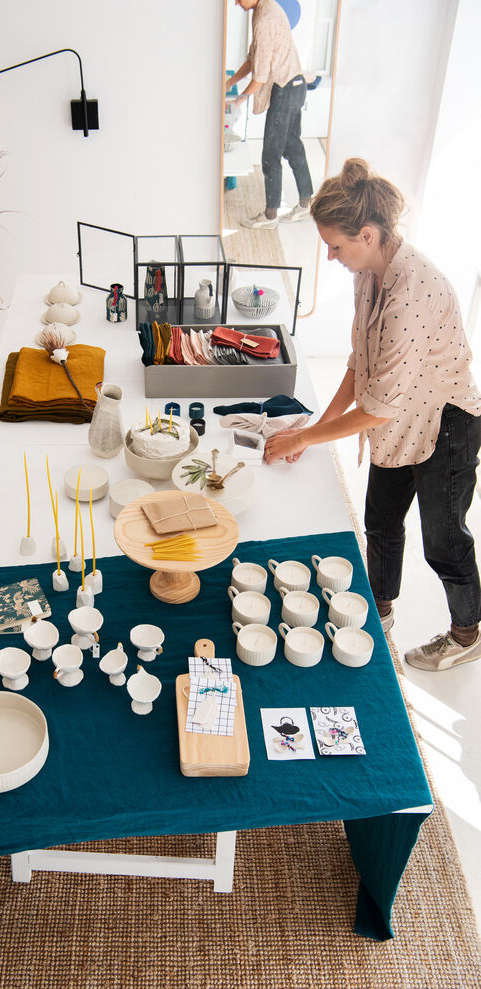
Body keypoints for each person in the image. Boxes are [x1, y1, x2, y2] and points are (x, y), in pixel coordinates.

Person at [263, 157, 481, 672]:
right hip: (400, 417)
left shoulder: (412, 291)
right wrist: (313, 426)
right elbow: (360, 364)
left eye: (335, 246)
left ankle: (468, 632)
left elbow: (377, 407)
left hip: (446, 423)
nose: (331, 256)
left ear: (366, 234)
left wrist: (305, 440)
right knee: (380, 522)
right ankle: (377, 613)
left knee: (444, 540)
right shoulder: (369, 272)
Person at [226, 0, 313, 230]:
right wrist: (230, 82)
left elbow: (260, 75)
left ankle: (270, 216)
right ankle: (306, 203)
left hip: (285, 90)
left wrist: (239, 99)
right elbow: (252, 60)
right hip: (296, 84)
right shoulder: (266, 8)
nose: (236, 2)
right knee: (292, 145)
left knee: (270, 155)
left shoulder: (264, 19)